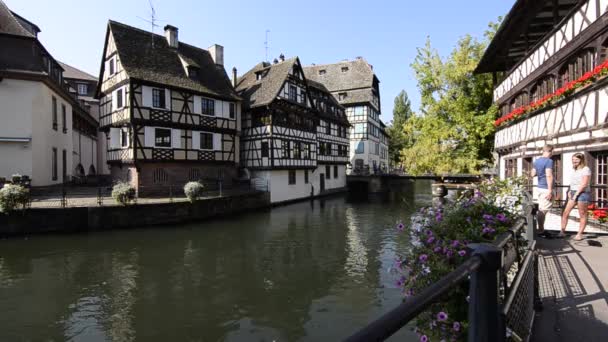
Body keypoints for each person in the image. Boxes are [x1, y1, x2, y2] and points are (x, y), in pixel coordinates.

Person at [560, 153, 592, 240]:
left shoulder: (586, 169)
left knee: (582, 214)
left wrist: (576, 194)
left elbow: (584, 184)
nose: (574, 161)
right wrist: (570, 191)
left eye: (576, 160)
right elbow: (573, 182)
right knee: (565, 212)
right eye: (573, 159)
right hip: (573, 192)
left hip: (583, 193)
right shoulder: (575, 169)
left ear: (581, 160)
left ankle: (579, 234)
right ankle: (562, 232)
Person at [530, 145, 554, 236]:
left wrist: (540, 173)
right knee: (543, 210)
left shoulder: (537, 161)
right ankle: (540, 230)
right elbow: (549, 175)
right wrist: (550, 190)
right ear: (551, 151)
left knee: (541, 208)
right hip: (545, 188)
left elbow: (532, 174)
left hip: (540, 187)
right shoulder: (549, 161)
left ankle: (541, 230)